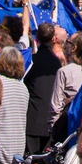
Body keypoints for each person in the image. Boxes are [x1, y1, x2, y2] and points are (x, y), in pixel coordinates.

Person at [22, 24, 63, 156]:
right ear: (53, 39)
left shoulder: (34, 61)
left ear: (37, 37)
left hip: (34, 120)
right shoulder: (56, 62)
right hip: (47, 121)